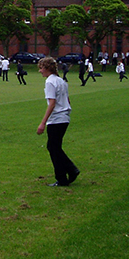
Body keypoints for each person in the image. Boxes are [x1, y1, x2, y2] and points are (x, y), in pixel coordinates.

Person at [36, 57, 80, 187]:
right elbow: (68, 99)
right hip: (64, 117)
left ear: (47, 68)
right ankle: (66, 174)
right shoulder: (61, 81)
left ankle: (67, 174)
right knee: (54, 147)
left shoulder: (50, 82)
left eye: (41, 68)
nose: (40, 71)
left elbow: (52, 103)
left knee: (53, 147)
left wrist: (43, 122)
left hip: (56, 119)